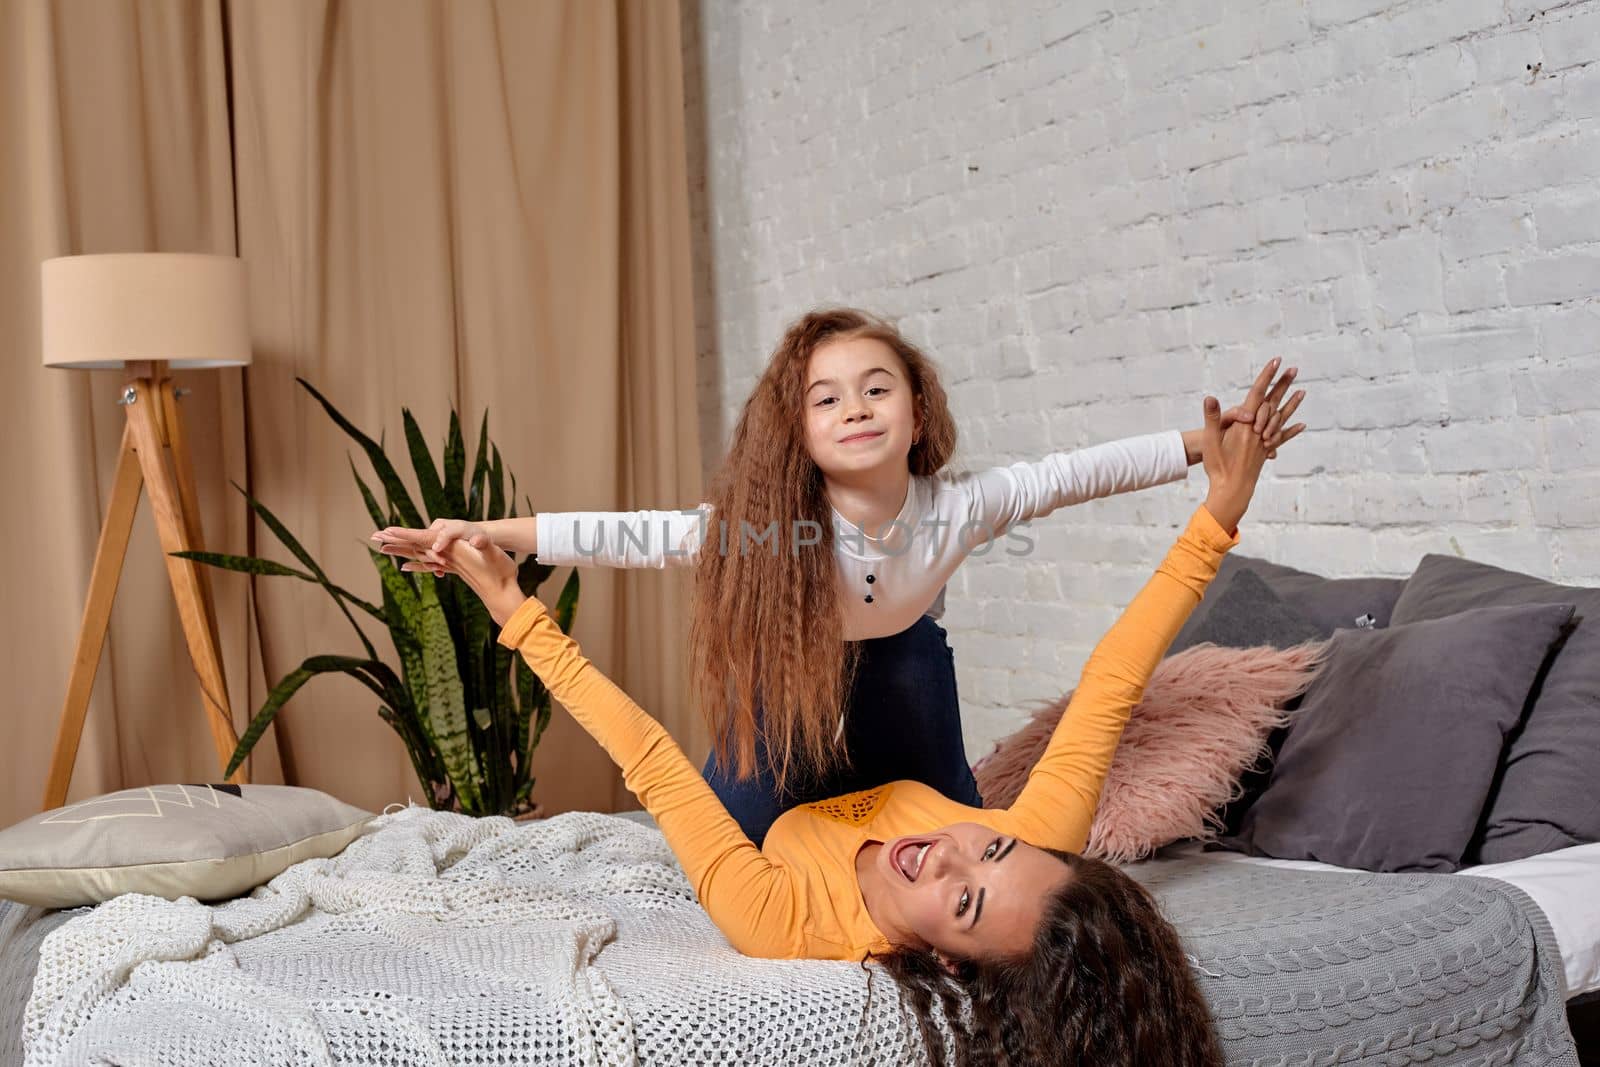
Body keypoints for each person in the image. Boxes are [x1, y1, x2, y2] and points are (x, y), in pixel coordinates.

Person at [404, 387, 1283, 1066]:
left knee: (786, 667)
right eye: (993, 852)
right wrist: (1219, 514)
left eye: (964, 899)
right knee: (898, 648)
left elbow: (652, 759)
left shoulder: (782, 923)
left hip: (778, 810)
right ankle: (859, 584)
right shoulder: (1032, 835)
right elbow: (1113, 682)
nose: (950, 852)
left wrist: (512, 606)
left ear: (945, 961)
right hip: (903, 762)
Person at [373, 307, 1304, 845]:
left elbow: (1076, 469)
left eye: (876, 387)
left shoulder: (958, 506)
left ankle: (934, 804)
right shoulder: (768, 530)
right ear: (800, 432)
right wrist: (482, 530)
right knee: (727, 856)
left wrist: (1206, 443)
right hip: (788, 707)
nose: (855, 407)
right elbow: (633, 532)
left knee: (948, 777)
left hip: (905, 700)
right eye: (827, 397)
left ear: (916, 408)